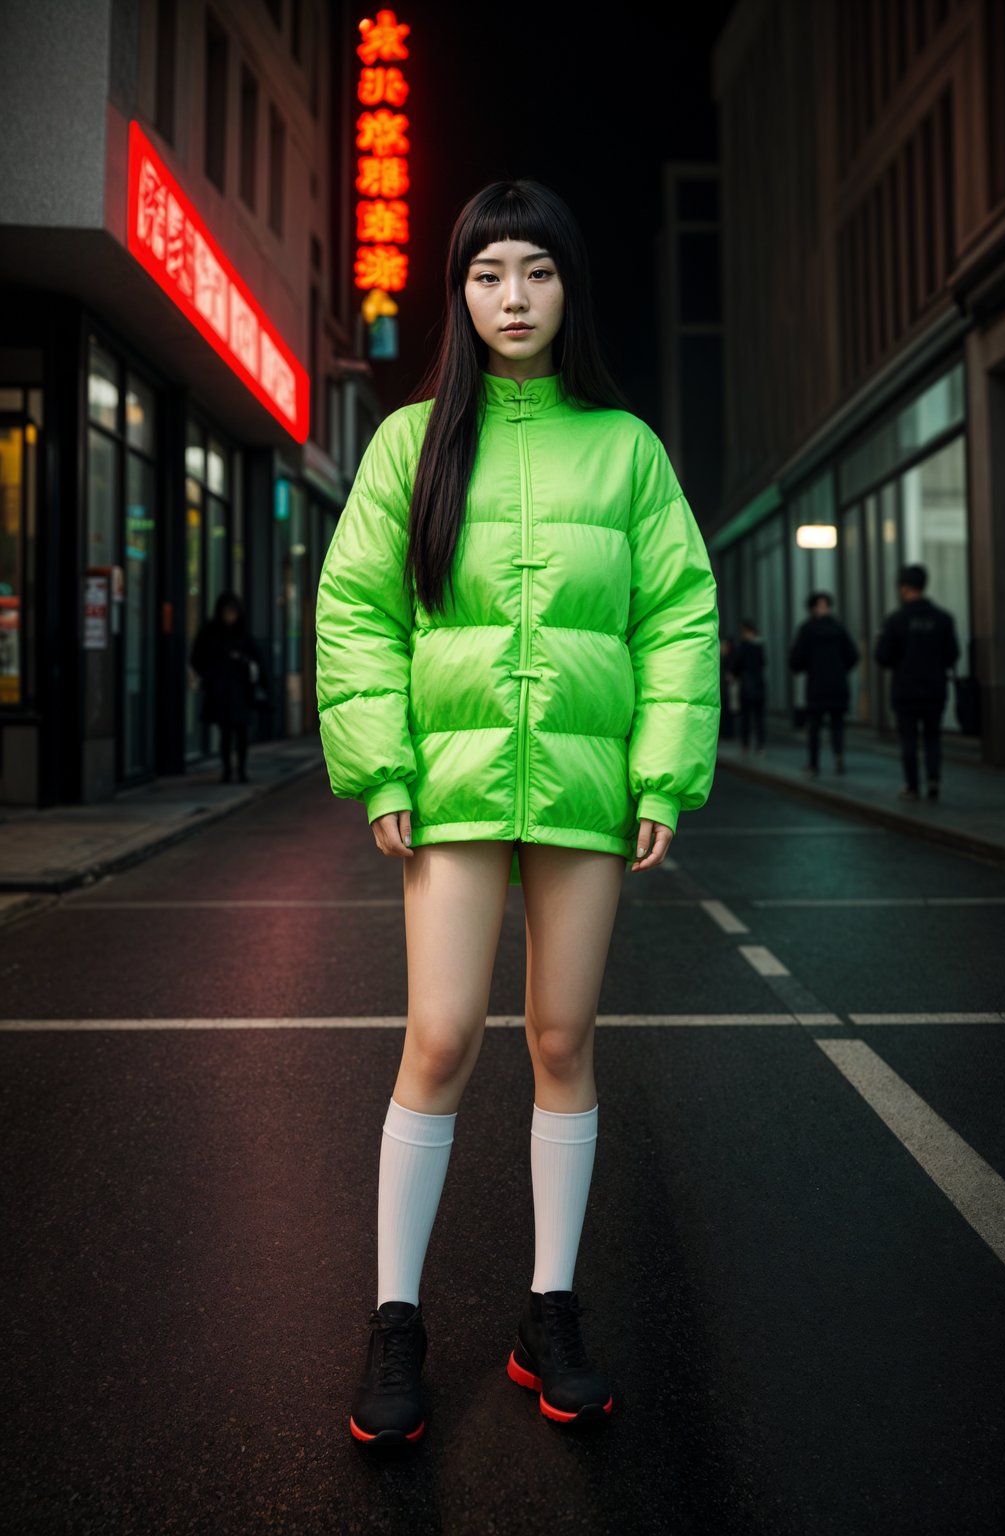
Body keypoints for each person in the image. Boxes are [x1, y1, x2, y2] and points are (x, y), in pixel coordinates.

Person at [315, 180, 720, 1446]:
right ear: (460, 292)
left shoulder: (627, 449)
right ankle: (395, 1318)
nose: (512, 298)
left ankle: (549, 1311)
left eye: (535, 272)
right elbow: (356, 613)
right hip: (452, 785)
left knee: (560, 1038)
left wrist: (660, 772)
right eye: (488, 274)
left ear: (567, 288)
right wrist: (384, 765)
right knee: (436, 1039)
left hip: (588, 784)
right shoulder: (409, 442)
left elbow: (680, 619)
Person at [874, 563, 960, 801]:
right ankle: (933, 779)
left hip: (905, 689)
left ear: (903, 588)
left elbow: (883, 657)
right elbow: (952, 654)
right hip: (935, 687)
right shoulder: (943, 619)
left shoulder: (895, 620)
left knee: (909, 739)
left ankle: (912, 786)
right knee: (933, 737)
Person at [189, 591, 266, 783]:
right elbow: (197, 658)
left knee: (241, 734)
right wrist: (211, 675)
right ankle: (227, 771)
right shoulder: (210, 633)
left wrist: (242, 661)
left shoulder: (243, 634)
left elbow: (258, 661)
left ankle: (240, 770)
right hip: (221, 691)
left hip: (240, 692)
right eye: (227, 612)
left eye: (233, 612)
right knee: (225, 733)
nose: (230, 617)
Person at [788, 592, 858, 775]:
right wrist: (841, 670)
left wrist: (806, 667)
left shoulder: (806, 629)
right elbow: (853, 655)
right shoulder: (839, 628)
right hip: (838, 685)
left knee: (814, 727)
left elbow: (795, 660)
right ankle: (838, 758)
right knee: (837, 725)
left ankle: (813, 764)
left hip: (816, 685)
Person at [732, 618, 766, 754]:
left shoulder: (743, 647)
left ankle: (746, 745)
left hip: (746, 686)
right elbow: (763, 663)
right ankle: (760, 745)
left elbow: (736, 666)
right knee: (759, 718)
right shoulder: (759, 646)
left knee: (746, 718)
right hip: (759, 685)